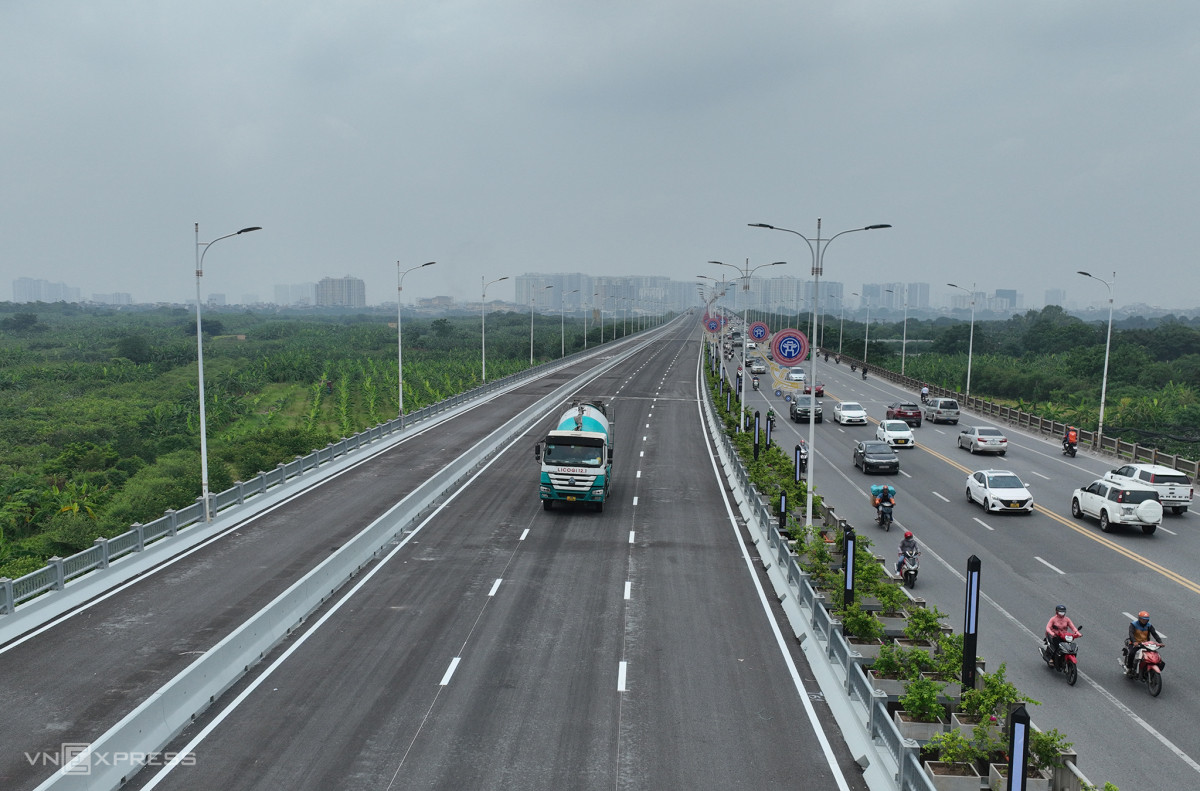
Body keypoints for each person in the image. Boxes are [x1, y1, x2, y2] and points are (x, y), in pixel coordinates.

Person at [1124, 610, 1164, 675]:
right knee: (1132, 653)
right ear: (1139, 618)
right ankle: (1129, 668)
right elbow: (1131, 634)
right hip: (1136, 644)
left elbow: (1154, 634)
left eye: (1146, 620)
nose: (1144, 621)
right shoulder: (1133, 625)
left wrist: (1160, 642)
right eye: (1143, 619)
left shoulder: (1149, 626)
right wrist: (1134, 642)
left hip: (1146, 644)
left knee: (1155, 656)